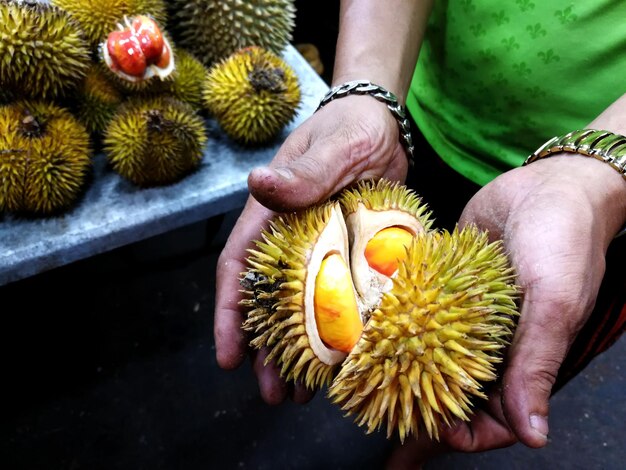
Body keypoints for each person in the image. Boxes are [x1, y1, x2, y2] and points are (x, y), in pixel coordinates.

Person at [214, 0, 626, 466]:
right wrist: (365, 91)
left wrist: (597, 178)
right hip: (421, 114)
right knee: (483, 377)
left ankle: (414, 452)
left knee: (510, 367)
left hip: (595, 206)